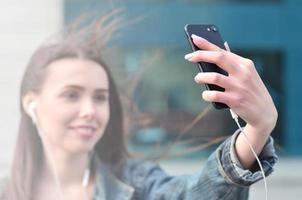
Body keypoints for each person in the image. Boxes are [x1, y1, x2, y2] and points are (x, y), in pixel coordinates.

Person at [0, 11, 278, 200]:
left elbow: (193, 194)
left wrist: (257, 129)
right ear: (31, 103)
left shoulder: (138, 184)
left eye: (100, 97)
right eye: (71, 95)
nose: (89, 110)